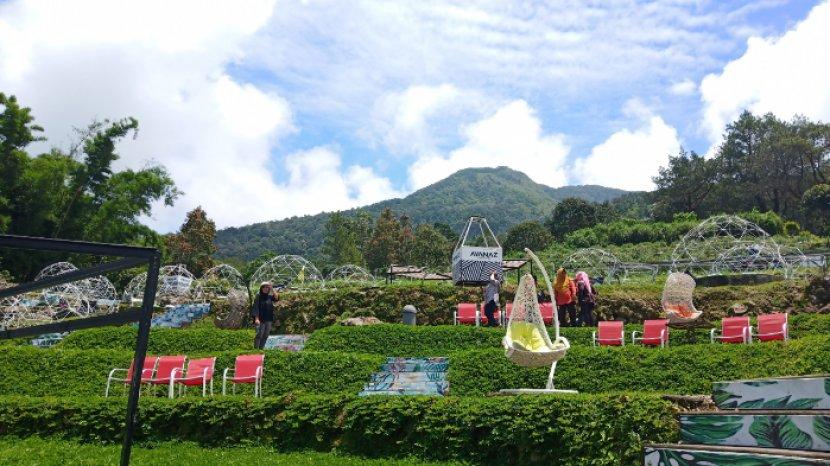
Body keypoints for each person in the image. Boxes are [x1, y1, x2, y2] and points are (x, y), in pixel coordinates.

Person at [251, 282, 280, 349]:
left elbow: (276, 298)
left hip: (269, 319)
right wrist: (256, 318)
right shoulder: (258, 296)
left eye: (267, 287)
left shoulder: (269, 297)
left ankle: (261, 349)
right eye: (264, 287)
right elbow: (255, 307)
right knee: (259, 335)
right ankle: (256, 349)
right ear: (261, 288)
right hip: (260, 319)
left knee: (266, 335)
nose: (266, 289)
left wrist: (272, 289)